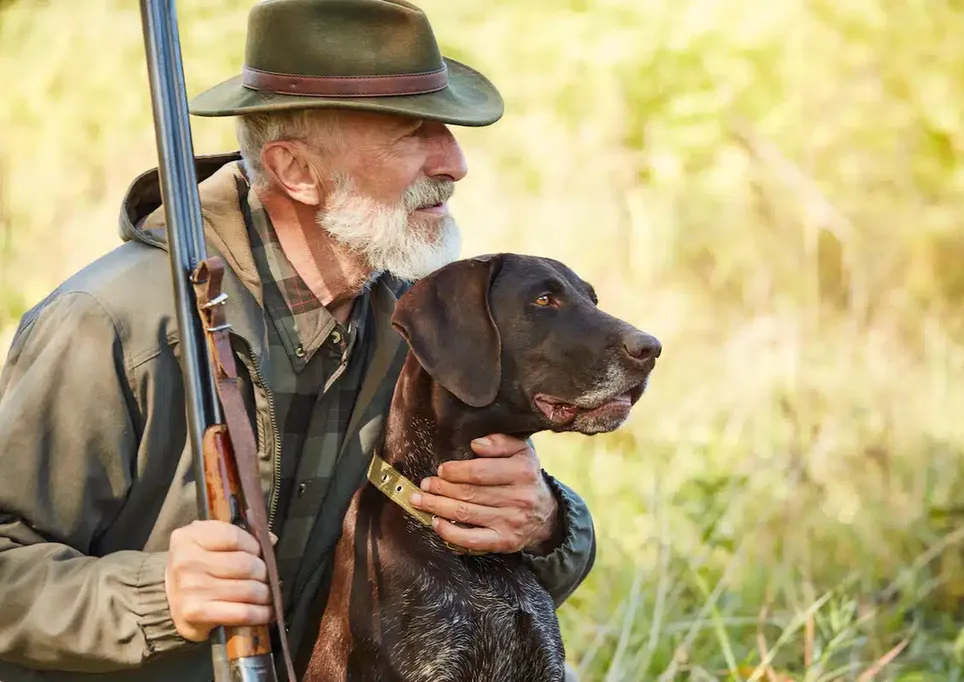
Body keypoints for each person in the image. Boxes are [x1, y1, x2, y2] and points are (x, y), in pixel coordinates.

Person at [0, 0, 595, 680]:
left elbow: (526, 561)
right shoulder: (111, 324)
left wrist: (545, 522)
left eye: (449, 131)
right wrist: (155, 598)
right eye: (411, 132)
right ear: (296, 170)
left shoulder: (416, 322)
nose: (456, 162)